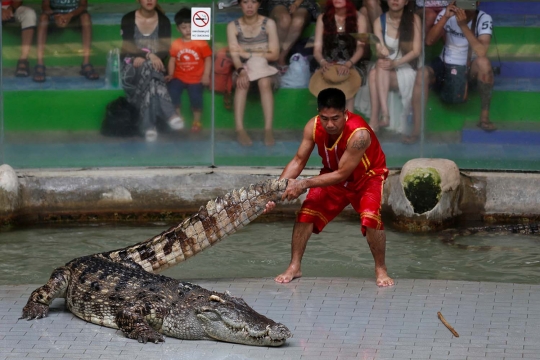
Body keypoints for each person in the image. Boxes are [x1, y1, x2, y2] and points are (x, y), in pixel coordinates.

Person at [265, 87, 394, 287]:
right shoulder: (312, 126)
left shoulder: (359, 134)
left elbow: (343, 173)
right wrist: (274, 193)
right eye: (325, 118)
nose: (330, 124)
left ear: (345, 113)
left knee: (370, 217)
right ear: (318, 113)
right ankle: (294, 266)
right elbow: (298, 161)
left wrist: (304, 184)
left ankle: (380, 268)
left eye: (335, 118)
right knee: (306, 212)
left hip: (367, 177)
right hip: (333, 174)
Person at [409, 1, 495, 144]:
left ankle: (484, 117)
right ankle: (417, 129)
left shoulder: (484, 18)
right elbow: (429, 41)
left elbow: (481, 51)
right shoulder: (446, 14)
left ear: (478, 2)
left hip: (469, 68)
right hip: (445, 63)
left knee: (484, 64)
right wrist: (445, 18)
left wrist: (462, 25)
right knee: (422, 73)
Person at [120, 0, 183, 142]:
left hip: (155, 67)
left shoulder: (163, 21)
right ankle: (170, 114)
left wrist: (148, 59)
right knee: (151, 70)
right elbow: (128, 46)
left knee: (149, 70)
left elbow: (164, 50)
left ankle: (149, 127)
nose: (149, 0)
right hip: (130, 65)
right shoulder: (129, 18)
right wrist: (148, 55)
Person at [227, 0, 280, 147]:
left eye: (253, 2)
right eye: (245, 2)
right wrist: (241, 70)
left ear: (259, 4)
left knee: (264, 82)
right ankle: (239, 129)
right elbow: (235, 56)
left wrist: (249, 54)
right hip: (244, 67)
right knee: (241, 82)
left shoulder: (268, 23)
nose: (249, 6)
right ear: (240, 4)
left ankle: (268, 129)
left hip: (267, 68)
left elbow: (274, 55)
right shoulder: (233, 26)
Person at [368, 0, 421, 133]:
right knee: (378, 68)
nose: (395, 0)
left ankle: (376, 119)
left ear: (406, 1)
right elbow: (379, 47)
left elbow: (416, 51)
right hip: (387, 67)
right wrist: (381, 51)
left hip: (407, 67)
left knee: (377, 71)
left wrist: (395, 63)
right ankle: (384, 115)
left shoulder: (414, 19)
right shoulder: (379, 22)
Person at [311, 0, 368, 112]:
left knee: (347, 81)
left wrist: (348, 64)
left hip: (352, 63)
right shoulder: (322, 18)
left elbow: (360, 49)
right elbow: (317, 49)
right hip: (328, 64)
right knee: (329, 79)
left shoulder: (360, 18)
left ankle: (348, 123)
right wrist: (323, 62)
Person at [166, 8, 212, 133]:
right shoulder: (176, 43)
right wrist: (170, 74)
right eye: (184, 27)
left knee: (196, 96)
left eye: (190, 26)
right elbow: (172, 60)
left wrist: (206, 75)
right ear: (178, 29)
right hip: (179, 77)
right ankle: (178, 117)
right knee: (172, 91)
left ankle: (197, 120)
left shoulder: (201, 42)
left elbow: (208, 59)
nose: (188, 30)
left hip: (196, 78)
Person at [34, 0, 99, 82]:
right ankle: (40, 64)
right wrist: (55, 16)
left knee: (86, 17)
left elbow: (83, 5)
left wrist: (70, 15)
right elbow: (45, 5)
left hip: (74, 14)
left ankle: (86, 64)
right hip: (54, 14)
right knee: (43, 18)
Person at [267, 0, 319, 69]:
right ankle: (274, 56)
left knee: (298, 21)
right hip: (278, 2)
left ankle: (281, 58)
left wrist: (296, 4)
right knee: (284, 19)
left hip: (303, 3)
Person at [2, 0, 36, 77]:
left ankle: (23, 60)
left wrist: (10, 9)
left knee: (29, 14)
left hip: (10, 8)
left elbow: (18, 1)